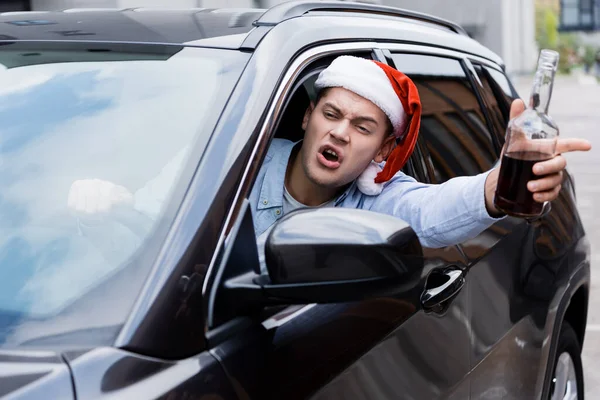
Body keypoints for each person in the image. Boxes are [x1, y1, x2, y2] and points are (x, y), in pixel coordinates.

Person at [68, 56, 592, 269]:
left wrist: (495, 186)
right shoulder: (236, 165)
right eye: (332, 113)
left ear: (383, 151)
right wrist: (108, 202)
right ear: (307, 119)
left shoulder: (379, 199)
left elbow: (432, 211)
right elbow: (158, 218)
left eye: (363, 127)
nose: (341, 131)